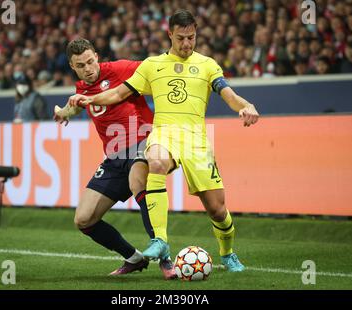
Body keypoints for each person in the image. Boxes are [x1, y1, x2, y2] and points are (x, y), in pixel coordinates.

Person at [67, 10, 260, 272]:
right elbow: (118, 93)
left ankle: (227, 254)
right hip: (163, 134)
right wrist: (90, 99)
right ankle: (160, 241)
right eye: (181, 38)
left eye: (191, 37)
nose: (186, 44)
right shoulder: (152, 65)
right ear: (170, 34)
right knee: (152, 162)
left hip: (196, 142)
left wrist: (245, 105)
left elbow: (227, 93)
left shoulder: (207, 64)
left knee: (217, 210)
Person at [54, 38, 176, 279]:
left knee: (138, 182)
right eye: (81, 65)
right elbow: (77, 105)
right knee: (83, 219)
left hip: (142, 140)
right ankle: (133, 257)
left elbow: (153, 66)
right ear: (72, 66)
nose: (88, 68)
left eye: (90, 61)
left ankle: (164, 255)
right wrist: (63, 113)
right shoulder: (82, 89)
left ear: (97, 56)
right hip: (114, 157)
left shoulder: (120, 69)